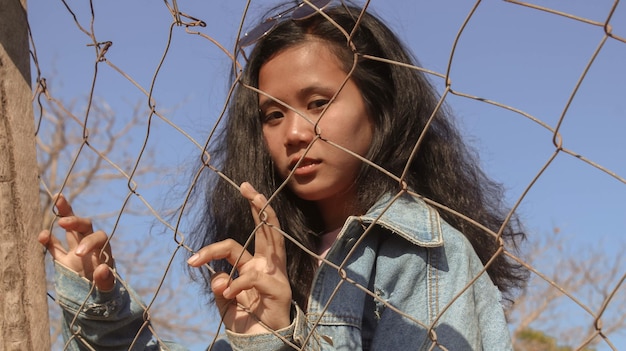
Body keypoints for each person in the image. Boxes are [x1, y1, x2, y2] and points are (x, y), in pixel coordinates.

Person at [39, 1, 528, 350]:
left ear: (381, 107)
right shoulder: (269, 264)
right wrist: (101, 306)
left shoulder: (422, 256)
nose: (294, 133)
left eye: (319, 103)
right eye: (272, 115)